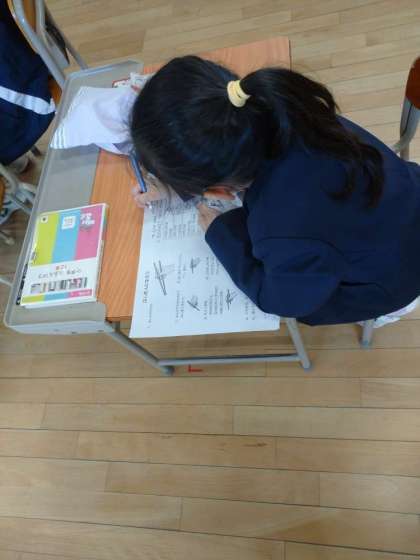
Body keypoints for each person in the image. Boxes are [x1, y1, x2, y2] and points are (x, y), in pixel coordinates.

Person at [129, 55, 420, 326]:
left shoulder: (282, 227)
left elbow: (284, 300)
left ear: (218, 192)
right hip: (403, 197)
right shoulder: (286, 109)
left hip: (396, 277)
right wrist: (179, 185)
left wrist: (220, 233)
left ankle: (393, 311)